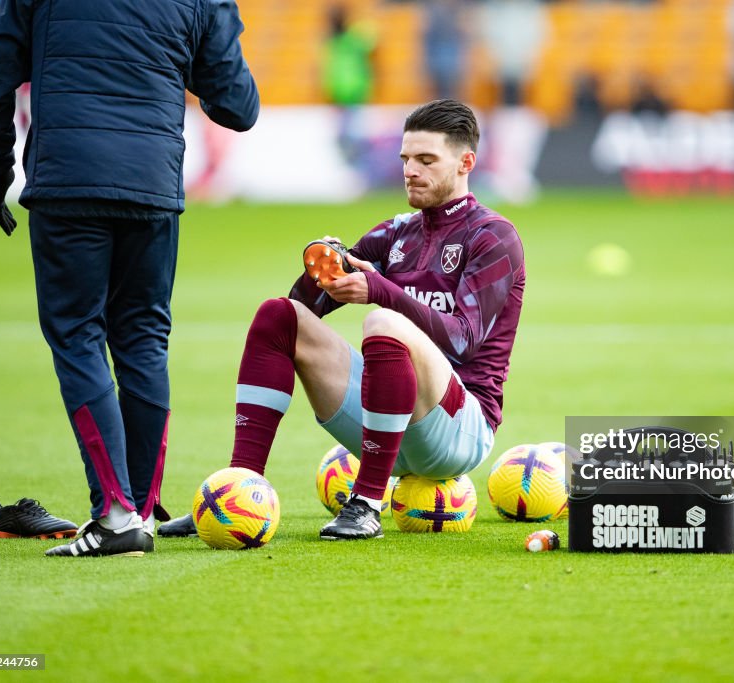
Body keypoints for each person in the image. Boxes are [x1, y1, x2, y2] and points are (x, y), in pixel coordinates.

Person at [159, 99, 525, 540]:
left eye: (427, 160)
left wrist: (380, 291)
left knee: (382, 323)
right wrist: (324, 269)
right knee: (278, 315)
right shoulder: (396, 233)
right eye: (406, 159)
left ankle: (367, 503)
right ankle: (241, 491)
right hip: (388, 424)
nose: (411, 170)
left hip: (460, 429)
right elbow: (305, 306)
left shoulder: (493, 236)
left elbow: (463, 340)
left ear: (466, 162)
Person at [0, 0, 259, 557]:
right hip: (151, 186)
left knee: (78, 334)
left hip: (68, 182)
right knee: (143, 339)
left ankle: (117, 512)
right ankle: (138, 513)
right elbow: (237, 105)